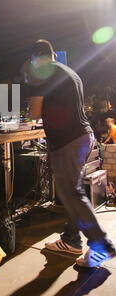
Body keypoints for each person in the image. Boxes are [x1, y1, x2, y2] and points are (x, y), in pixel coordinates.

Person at [24, 38, 116, 268]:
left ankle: (101, 244)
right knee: (70, 193)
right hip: (85, 137)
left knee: (72, 194)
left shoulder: (41, 72)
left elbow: (34, 113)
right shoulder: (71, 73)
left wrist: (29, 111)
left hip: (68, 142)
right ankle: (71, 239)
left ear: (36, 58)